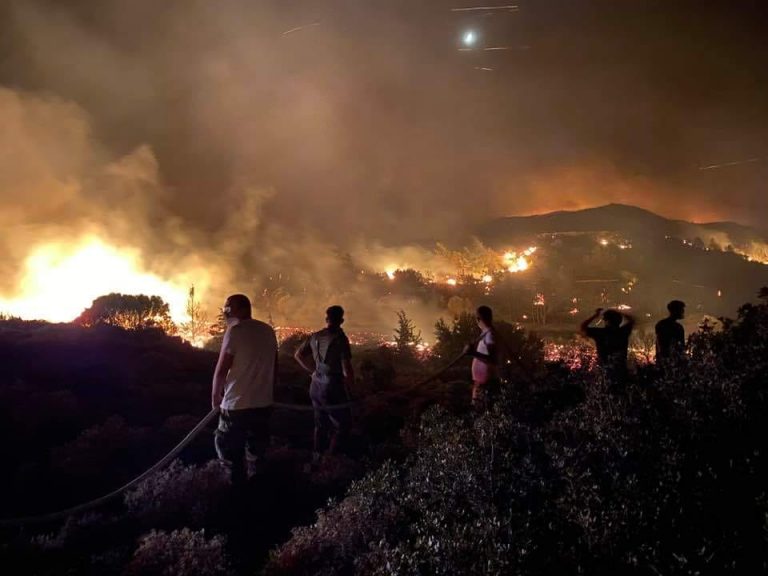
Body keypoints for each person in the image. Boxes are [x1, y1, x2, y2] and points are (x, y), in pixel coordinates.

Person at [211, 294, 278, 486]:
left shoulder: (235, 331)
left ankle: (236, 492)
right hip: (263, 404)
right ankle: (257, 491)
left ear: (242, 309)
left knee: (228, 450)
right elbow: (275, 366)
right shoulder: (268, 330)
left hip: (236, 405)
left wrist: (215, 400)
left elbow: (221, 369)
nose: (225, 312)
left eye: (228, 308)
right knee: (257, 454)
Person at [295, 305, 354, 459]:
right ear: (342, 320)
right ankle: (331, 459)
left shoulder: (315, 336)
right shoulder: (340, 339)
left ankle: (317, 457)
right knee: (343, 424)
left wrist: (312, 371)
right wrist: (353, 390)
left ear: (326, 318)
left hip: (315, 386)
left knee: (320, 424)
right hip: (332, 387)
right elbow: (347, 369)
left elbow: (298, 355)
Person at [580, 307, 635, 383]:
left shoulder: (600, 333)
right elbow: (632, 320)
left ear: (607, 321)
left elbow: (583, 327)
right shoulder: (623, 331)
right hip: (621, 374)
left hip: (605, 374)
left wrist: (595, 315)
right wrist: (619, 312)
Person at [463, 305, 499, 410]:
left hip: (485, 383)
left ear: (478, 319)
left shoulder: (489, 335)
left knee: (481, 410)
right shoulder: (485, 333)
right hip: (481, 381)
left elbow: (492, 359)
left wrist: (473, 353)